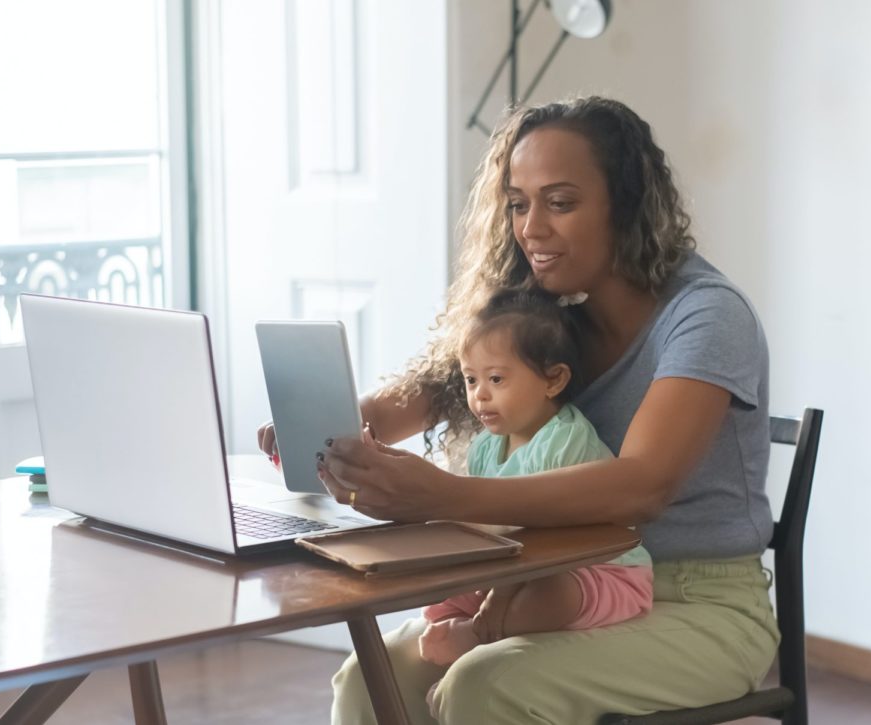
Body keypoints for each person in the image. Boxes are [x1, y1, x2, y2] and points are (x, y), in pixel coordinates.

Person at [257, 95, 779, 724]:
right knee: (369, 680)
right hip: (550, 582)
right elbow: (425, 396)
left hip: (700, 604)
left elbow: (643, 486)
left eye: (560, 203)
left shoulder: (708, 316)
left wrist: (444, 496)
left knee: (486, 686)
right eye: (517, 203)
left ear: (627, 203)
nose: (531, 228)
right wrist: (325, 428)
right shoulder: (549, 316)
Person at [417, 286, 653, 673]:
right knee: (443, 586)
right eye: (471, 380)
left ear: (553, 380)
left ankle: (477, 634)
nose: (480, 396)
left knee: (552, 593)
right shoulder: (485, 447)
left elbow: (543, 540)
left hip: (596, 570)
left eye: (496, 379)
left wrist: (498, 596)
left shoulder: (564, 441)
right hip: (516, 567)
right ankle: (462, 631)